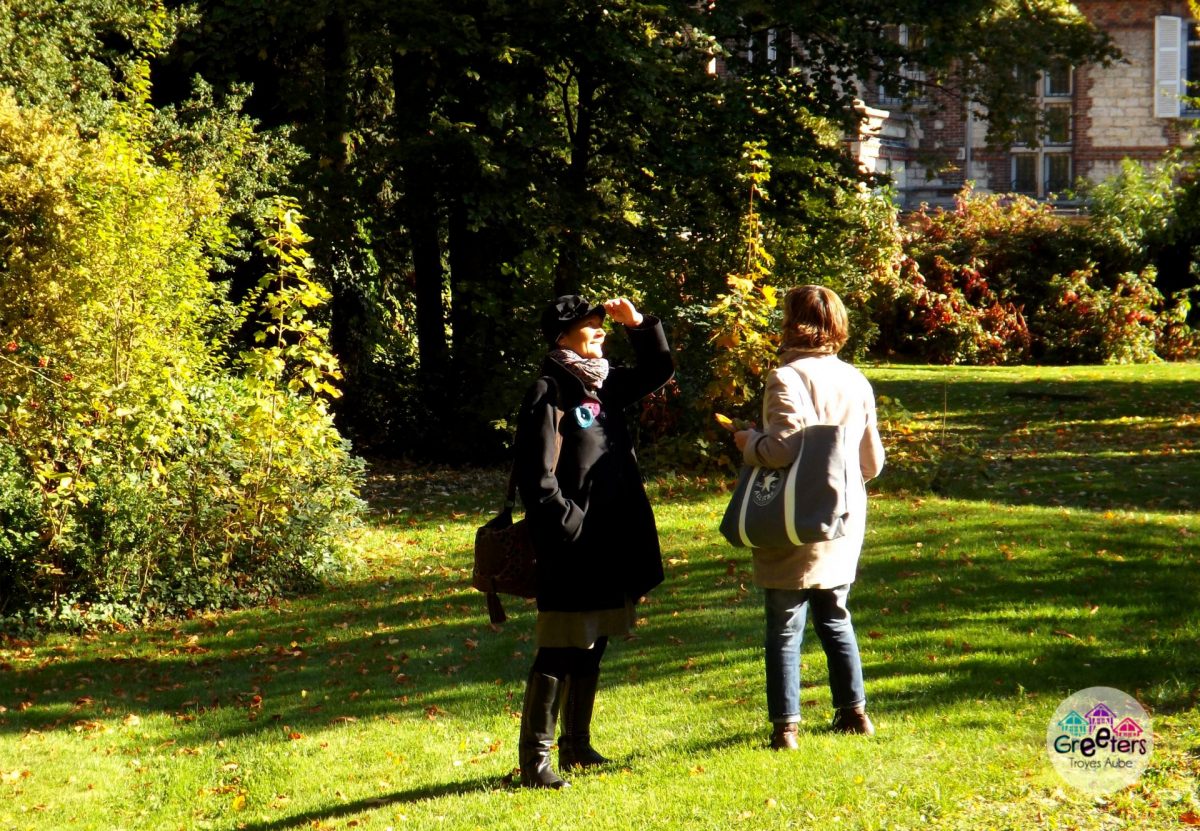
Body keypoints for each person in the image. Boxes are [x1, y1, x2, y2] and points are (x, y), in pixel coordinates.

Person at [512, 294, 674, 788]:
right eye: (589, 325)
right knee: (560, 646)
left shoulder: (601, 381)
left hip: (611, 541)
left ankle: (576, 746)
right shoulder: (550, 389)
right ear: (561, 337)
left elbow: (658, 372)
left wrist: (640, 324)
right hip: (572, 545)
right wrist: (569, 527)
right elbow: (536, 479)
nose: (599, 330)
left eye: (600, 322)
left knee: (594, 642)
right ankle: (535, 763)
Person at [732, 285, 885, 750]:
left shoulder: (787, 377)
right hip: (843, 514)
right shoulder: (856, 379)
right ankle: (854, 714)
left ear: (792, 322)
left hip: (796, 515)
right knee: (836, 616)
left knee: (783, 624)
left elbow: (782, 449)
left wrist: (748, 443)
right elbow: (872, 463)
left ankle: (786, 729)